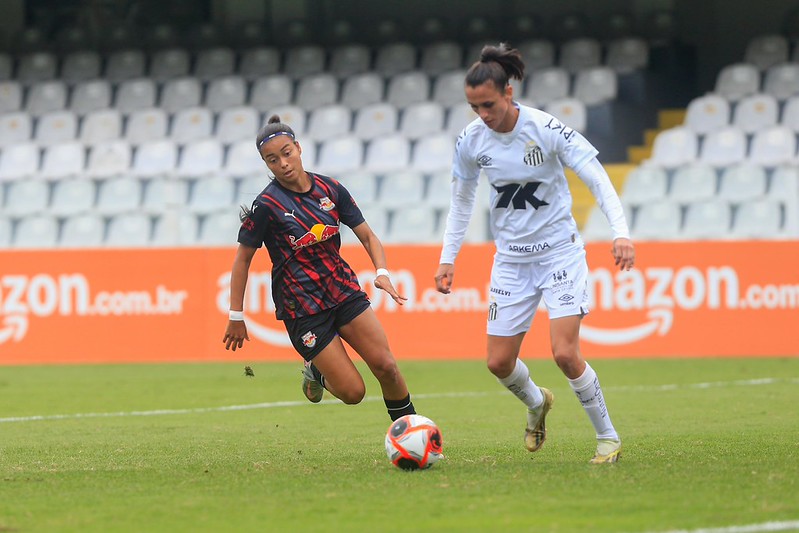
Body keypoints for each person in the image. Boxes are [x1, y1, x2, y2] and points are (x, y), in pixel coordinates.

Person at [434, 43, 635, 464]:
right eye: (474, 107)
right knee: (498, 362)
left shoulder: (546, 129)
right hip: (510, 261)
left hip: (560, 254)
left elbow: (594, 175)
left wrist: (621, 232)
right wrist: (448, 258)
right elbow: (462, 199)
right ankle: (536, 402)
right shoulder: (471, 141)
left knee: (564, 352)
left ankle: (608, 439)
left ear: (509, 93)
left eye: (488, 104)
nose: (482, 115)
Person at [223, 114, 417, 422]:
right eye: (272, 160)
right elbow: (242, 259)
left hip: (343, 291)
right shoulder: (266, 206)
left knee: (387, 366)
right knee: (354, 393)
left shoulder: (331, 189)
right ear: (267, 164)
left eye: (286, 153)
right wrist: (236, 315)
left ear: (298, 148)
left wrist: (382, 273)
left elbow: (367, 236)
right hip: (303, 308)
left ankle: (411, 436)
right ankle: (315, 370)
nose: (283, 163)